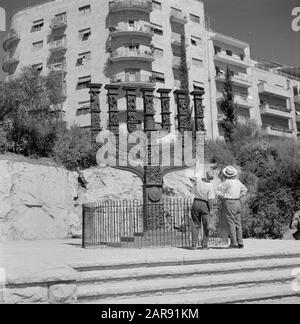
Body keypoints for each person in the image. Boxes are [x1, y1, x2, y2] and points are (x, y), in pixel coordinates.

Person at [217, 166, 247, 249]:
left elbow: (218, 189)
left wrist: (222, 195)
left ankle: (234, 243)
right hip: (238, 202)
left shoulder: (227, 182)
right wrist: (239, 195)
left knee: (231, 222)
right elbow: (245, 190)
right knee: (238, 222)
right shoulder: (238, 182)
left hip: (230, 202)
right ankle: (240, 242)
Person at [189, 170, 216, 249]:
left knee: (195, 224)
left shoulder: (199, 180)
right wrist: (211, 209)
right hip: (205, 204)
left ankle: (194, 244)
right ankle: (204, 245)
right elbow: (210, 200)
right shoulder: (210, 186)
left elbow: (191, 182)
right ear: (212, 178)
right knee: (206, 225)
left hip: (196, 202)